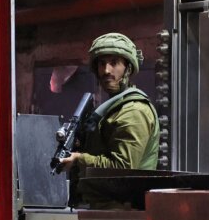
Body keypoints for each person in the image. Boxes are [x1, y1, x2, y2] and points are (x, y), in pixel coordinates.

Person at [58, 32, 158, 205]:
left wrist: (78, 159)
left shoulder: (133, 110)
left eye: (114, 63)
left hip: (123, 213)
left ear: (127, 67)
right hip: (105, 207)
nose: (106, 70)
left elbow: (122, 168)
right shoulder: (112, 107)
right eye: (102, 64)